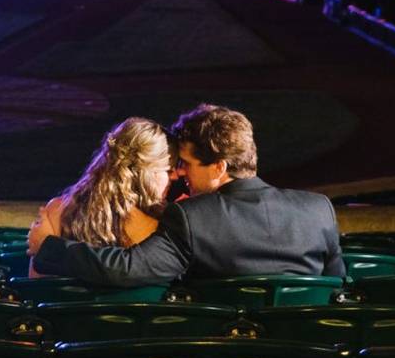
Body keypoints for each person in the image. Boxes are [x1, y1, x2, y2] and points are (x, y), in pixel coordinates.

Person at [29, 104, 343, 285]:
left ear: (219, 167)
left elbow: (125, 268)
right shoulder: (318, 210)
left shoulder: (192, 217)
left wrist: (50, 247)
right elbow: (341, 288)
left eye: (187, 165)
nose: (181, 174)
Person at [27, 117, 171, 253]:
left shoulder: (56, 210)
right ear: (148, 172)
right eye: (168, 170)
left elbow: (36, 279)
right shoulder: (155, 228)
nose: (175, 177)